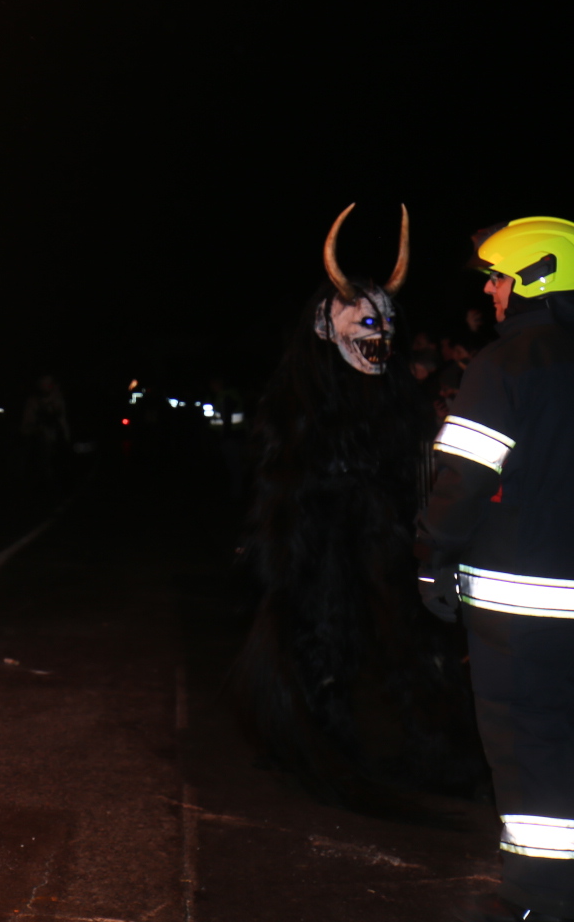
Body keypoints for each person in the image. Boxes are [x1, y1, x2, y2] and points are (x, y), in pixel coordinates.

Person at [234, 206, 480, 811]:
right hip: (322, 545)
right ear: (327, 326)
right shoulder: (299, 400)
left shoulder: (394, 401)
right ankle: (322, 742)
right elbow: (278, 479)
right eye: (367, 320)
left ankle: (425, 749)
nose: (381, 335)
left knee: (407, 647)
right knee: (321, 645)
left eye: (388, 322)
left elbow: (412, 464)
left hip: (383, 541)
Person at [418, 217, 574, 922]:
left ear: (537, 279)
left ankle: (540, 897)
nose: (490, 290)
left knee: (528, 744)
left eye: (500, 276)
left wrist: (432, 557)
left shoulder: (505, 365)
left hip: (523, 611)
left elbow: (462, 481)